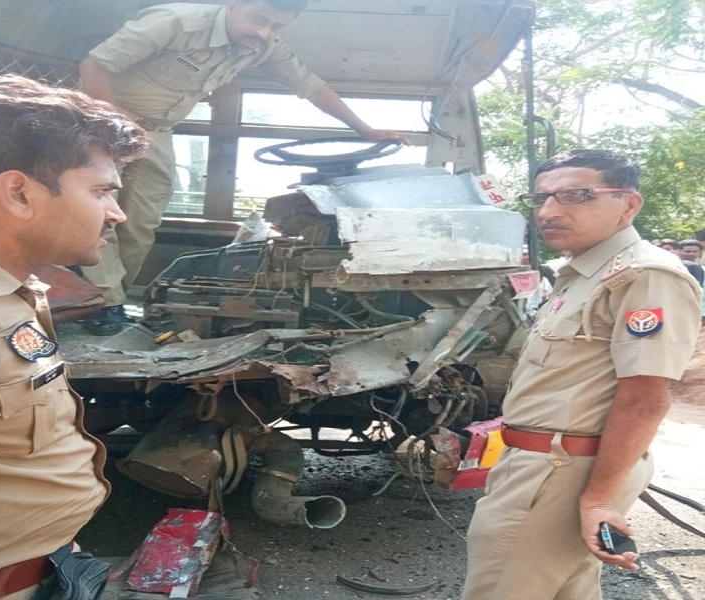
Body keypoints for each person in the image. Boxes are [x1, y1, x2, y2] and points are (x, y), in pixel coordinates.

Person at [0, 75, 148, 599]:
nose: (117, 213)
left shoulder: (1, 288)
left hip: (50, 570)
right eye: (102, 191)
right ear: (18, 193)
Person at [78, 0, 411, 334]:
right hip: (104, 122)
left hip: (156, 133)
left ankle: (111, 300)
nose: (263, 32)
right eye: (259, 19)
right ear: (235, 5)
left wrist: (363, 129)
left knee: (141, 224)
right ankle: (105, 305)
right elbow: (96, 65)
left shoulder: (261, 45)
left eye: (276, 26)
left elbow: (310, 85)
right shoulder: (176, 22)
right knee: (98, 217)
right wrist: (111, 127)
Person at [461, 149, 702, 600]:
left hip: (561, 471)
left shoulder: (645, 276)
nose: (549, 211)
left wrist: (598, 499)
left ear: (628, 204)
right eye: (540, 198)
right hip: (545, 463)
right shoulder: (581, 271)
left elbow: (646, 398)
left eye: (575, 196)